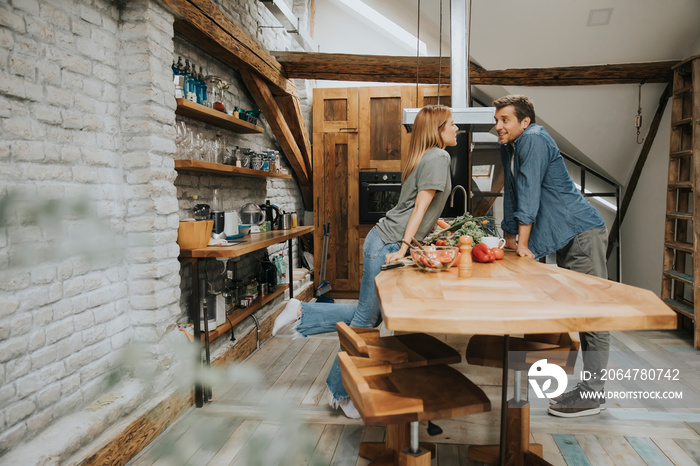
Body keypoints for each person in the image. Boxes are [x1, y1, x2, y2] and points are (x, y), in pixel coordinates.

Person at [272, 105, 458, 418]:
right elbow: (417, 210)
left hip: (385, 238)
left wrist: (449, 228)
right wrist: (402, 247)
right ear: (438, 129)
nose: (456, 129)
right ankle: (339, 392)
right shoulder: (439, 157)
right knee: (366, 320)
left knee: (372, 314)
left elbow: (424, 209)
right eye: (452, 124)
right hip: (387, 242)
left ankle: (303, 311)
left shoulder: (425, 157)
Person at [493, 94, 609, 418]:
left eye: (505, 120)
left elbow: (529, 193)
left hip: (580, 232)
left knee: (593, 316)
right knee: (572, 313)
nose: (498, 126)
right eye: (496, 120)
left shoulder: (534, 138)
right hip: (561, 237)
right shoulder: (510, 147)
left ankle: (594, 393)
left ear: (524, 121)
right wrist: (508, 242)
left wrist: (522, 245)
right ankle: (555, 381)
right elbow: (513, 195)